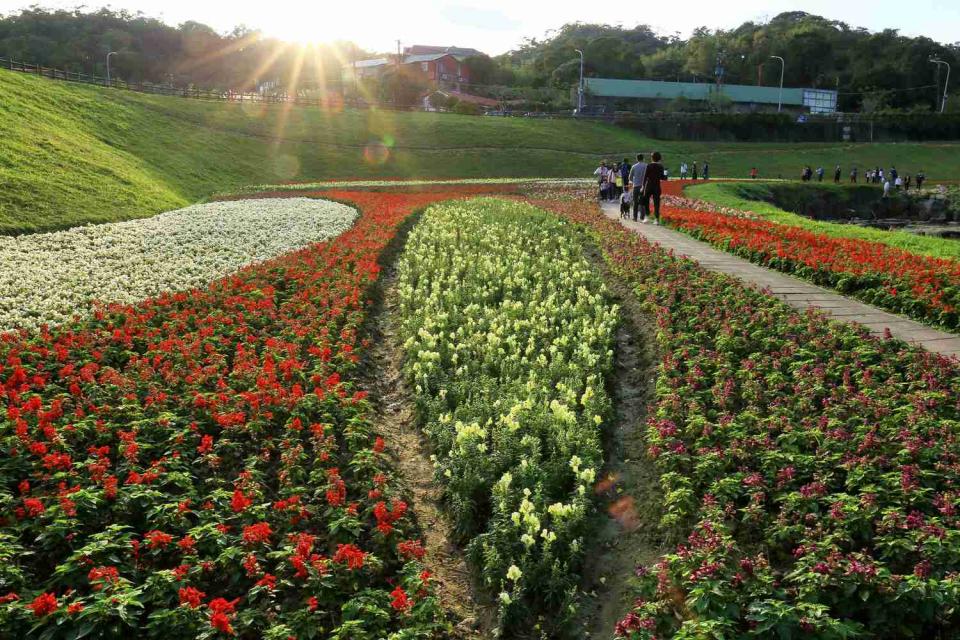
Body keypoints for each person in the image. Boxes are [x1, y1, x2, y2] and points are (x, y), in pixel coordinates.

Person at [641, 151, 666, 225]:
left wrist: (642, 186)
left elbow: (645, 177)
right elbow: (663, 178)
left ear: (652, 158)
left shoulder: (648, 166)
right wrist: (665, 175)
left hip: (648, 186)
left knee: (646, 201)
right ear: (659, 159)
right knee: (656, 203)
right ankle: (656, 219)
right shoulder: (661, 166)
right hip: (656, 186)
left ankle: (646, 217)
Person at [629, 154, 648, 222]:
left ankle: (635, 217)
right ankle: (642, 217)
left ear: (637, 159)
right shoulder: (646, 166)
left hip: (636, 186)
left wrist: (634, 181)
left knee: (635, 201)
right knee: (643, 202)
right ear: (643, 158)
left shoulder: (634, 166)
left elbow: (630, 177)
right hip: (644, 186)